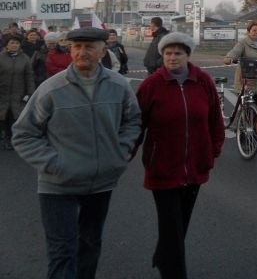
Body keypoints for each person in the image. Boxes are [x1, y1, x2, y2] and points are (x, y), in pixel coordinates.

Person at [12, 27, 141, 279]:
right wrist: (54, 164)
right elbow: (23, 133)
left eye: (89, 47)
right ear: (70, 50)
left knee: (90, 246)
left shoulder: (119, 86)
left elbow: (133, 121)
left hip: (101, 182)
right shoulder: (51, 89)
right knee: (62, 251)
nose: (82, 52)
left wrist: (119, 153)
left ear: (103, 50)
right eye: (76, 47)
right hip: (58, 185)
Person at [135, 32, 225, 279]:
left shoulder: (203, 81)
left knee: (179, 225)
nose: (172, 57)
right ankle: (173, 273)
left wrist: (214, 149)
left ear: (188, 55)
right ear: (161, 55)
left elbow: (214, 119)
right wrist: (124, 154)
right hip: (162, 167)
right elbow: (136, 125)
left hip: (196, 166)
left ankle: (163, 256)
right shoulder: (151, 85)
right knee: (171, 226)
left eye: (178, 53)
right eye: (167, 53)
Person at [223, 20, 257, 115]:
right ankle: (243, 123)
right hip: (245, 79)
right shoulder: (243, 43)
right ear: (249, 32)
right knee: (245, 107)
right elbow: (235, 52)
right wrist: (229, 58)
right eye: (254, 30)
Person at [0, 34, 35, 150]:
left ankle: (12, 139)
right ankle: (5, 138)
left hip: (18, 93)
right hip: (3, 93)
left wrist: (30, 92)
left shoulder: (25, 58)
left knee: (15, 117)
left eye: (16, 43)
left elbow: (29, 76)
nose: (14, 45)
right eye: (12, 43)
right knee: (3, 117)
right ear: (7, 45)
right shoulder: (1, 57)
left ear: (20, 45)